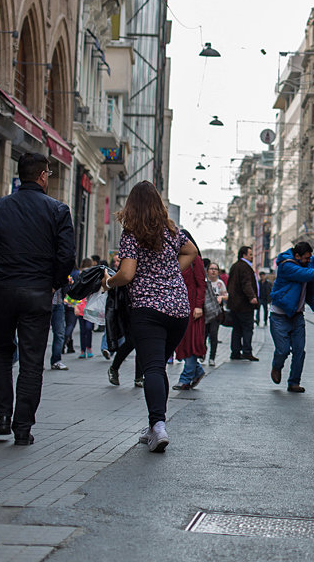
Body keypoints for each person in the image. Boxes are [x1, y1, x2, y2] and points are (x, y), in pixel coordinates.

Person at [0, 153, 76, 446]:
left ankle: (1, 416)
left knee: (1, 351)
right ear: (43, 176)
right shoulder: (57, 210)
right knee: (32, 360)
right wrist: (54, 284)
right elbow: (66, 256)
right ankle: (22, 427)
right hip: (38, 292)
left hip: (4, 290)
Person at [103, 181, 196, 453]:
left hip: (149, 309)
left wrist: (109, 282)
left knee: (152, 368)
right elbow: (191, 251)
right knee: (159, 367)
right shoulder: (171, 231)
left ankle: (158, 426)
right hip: (178, 309)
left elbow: (127, 274)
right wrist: (170, 273)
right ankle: (153, 425)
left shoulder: (131, 234)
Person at [269, 240, 314, 392]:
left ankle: (294, 382)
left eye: (310, 258)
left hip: (297, 315)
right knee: (282, 350)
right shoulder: (286, 265)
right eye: (306, 258)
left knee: (299, 350)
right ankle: (277, 366)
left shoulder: (306, 262)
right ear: (297, 256)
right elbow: (305, 275)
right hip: (279, 315)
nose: (310, 261)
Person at [173, 233, 207, 391]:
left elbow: (201, 284)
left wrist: (199, 306)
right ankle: (197, 370)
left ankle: (186, 378)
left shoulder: (196, 260)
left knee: (191, 342)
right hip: (179, 306)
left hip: (193, 308)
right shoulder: (176, 259)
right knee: (183, 341)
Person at [227, 246, 260, 361]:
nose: (252, 257)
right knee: (247, 328)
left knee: (236, 329)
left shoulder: (235, 266)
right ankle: (247, 351)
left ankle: (235, 352)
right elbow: (246, 283)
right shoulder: (245, 267)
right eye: (250, 254)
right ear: (244, 255)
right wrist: (252, 297)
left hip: (235, 304)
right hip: (244, 305)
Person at [203, 260, 226, 365]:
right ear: (207, 271)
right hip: (205, 312)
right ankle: (202, 354)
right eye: (211, 269)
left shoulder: (220, 283)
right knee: (203, 335)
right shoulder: (203, 282)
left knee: (213, 335)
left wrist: (221, 297)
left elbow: (226, 295)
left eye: (215, 269)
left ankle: (212, 357)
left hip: (216, 313)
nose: (213, 271)